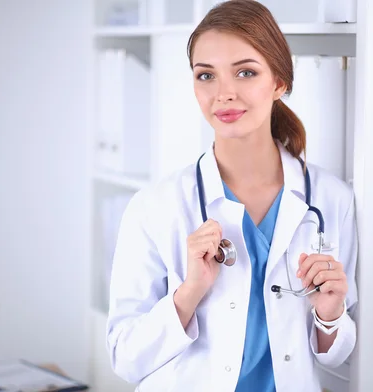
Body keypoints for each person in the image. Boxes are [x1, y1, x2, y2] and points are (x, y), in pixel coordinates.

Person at [105, 1, 358, 391]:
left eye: (245, 72)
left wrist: (329, 315)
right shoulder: (155, 206)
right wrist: (189, 293)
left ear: (279, 82)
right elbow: (125, 356)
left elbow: (339, 358)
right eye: (206, 75)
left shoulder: (330, 200)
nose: (224, 94)